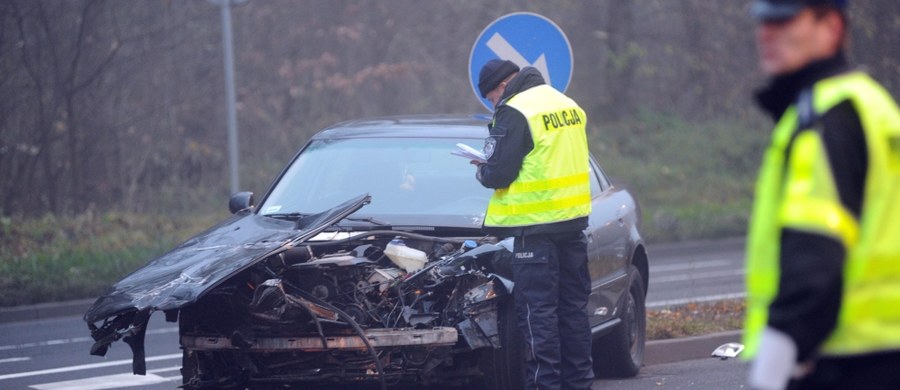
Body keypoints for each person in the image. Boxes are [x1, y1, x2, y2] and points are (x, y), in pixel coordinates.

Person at [743, 0, 900, 389]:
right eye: (763, 21)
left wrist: (772, 369)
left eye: (784, 21)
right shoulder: (870, 103)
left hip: (841, 363)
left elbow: (814, 258)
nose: (766, 32)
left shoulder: (826, 115)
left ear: (831, 27)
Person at [474, 59, 594, 390]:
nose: (493, 105)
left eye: (490, 99)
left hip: (535, 234)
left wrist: (481, 169)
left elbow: (499, 172)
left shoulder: (516, 109)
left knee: (538, 320)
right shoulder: (566, 103)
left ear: (500, 88)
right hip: (572, 228)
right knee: (573, 315)